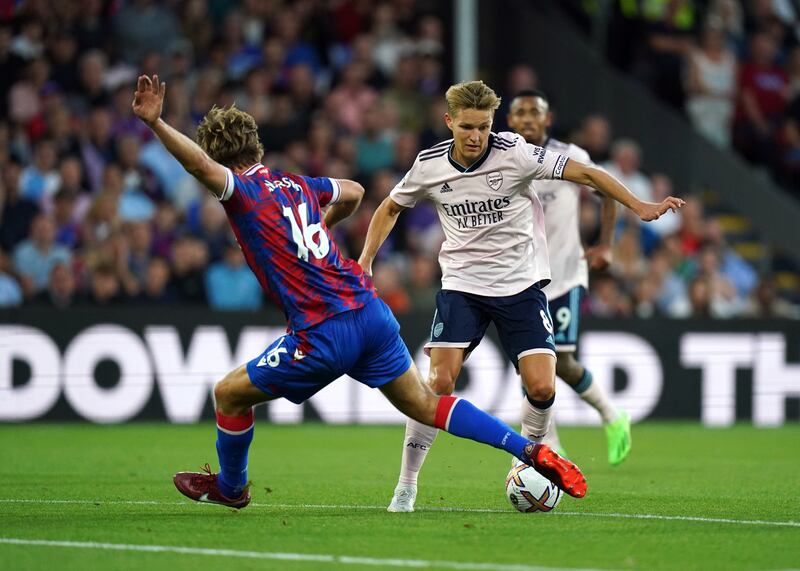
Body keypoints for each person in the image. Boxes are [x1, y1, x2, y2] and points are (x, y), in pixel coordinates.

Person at [131, 74, 588, 509]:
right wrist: (320, 233)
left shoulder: (243, 192)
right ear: (259, 146)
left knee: (228, 393)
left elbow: (198, 165)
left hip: (322, 332)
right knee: (428, 404)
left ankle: (232, 488)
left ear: (222, 159)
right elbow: (352, 191)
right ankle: (528, 450)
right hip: (371, 313)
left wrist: (156, 123)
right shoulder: (296, 184)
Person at [358, 80, 684, 513]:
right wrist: (364, 262)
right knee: (437, 383)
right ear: (449, 122)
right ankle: (407, 484)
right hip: (463, 286)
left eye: (484, 127)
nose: (476, 136)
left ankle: (527, 462)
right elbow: (390, 207)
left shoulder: (515, 152)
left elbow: (587, 173)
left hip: (521, 286)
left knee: (544, 386)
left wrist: (640, 206)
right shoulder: (429, 164)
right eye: (468, 127)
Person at [506, 89, 630, 465]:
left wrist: (605, 245)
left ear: (547, 119)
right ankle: (552, 444)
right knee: (531, 364)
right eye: (520, 113)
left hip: (563, 274)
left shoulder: (571, 156)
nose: (527, 119)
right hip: (519, 279)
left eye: (535, 112)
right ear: (510, 120)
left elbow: (607, 192)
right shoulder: (501, 157)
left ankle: (611, 415)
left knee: (559, 360)